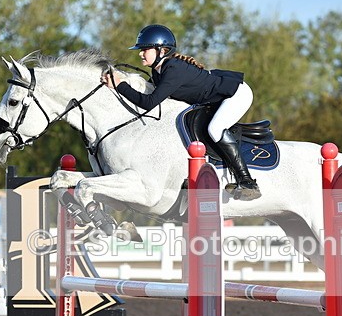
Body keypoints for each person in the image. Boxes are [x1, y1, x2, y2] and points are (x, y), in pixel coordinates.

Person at [101, 24, 261, 200]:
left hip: (235, 93)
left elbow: (149, 103)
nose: (140, 53)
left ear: (162, 50)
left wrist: (120, 85)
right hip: (213, 98)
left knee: (214, 129)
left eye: (145, 49)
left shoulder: (173, 69)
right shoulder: (157, 71)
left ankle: (247, 182)